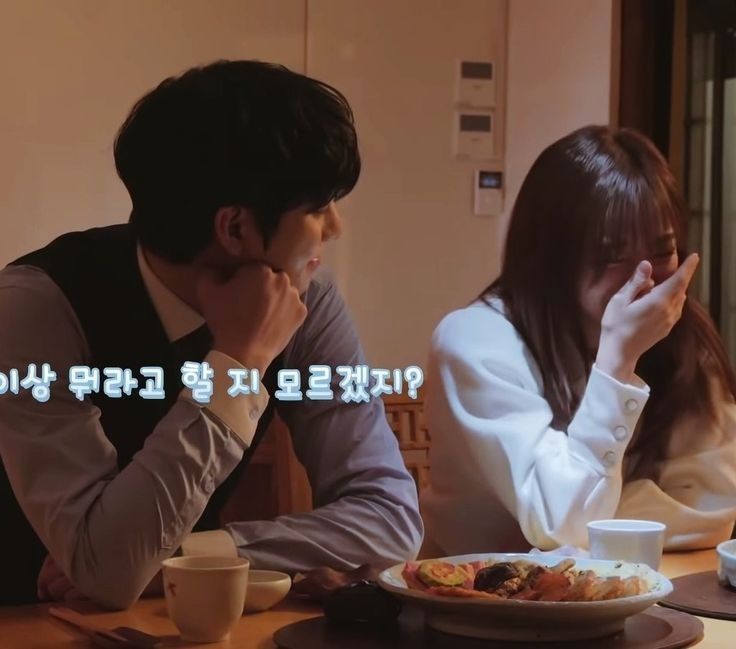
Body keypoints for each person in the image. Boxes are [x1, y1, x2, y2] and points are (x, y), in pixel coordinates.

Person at [0, 60, 422, 608]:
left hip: (177, 614)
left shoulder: (306, 300)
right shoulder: (37, 307)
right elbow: (105, 570)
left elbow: (390, 518)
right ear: (236, 228)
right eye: (318, 208)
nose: (335, 227)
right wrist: (238, 363)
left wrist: (192, 555)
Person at [422, 125, 736, 557]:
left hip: (644, 595)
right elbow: (564, 522)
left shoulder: (680, 338)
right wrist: (617, 361)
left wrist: (602, 521)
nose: (644, 276)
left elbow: (713, 510)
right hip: (479, 607)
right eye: (611, 255)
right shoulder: (476, 341)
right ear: (551, 256)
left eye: (662, 252)